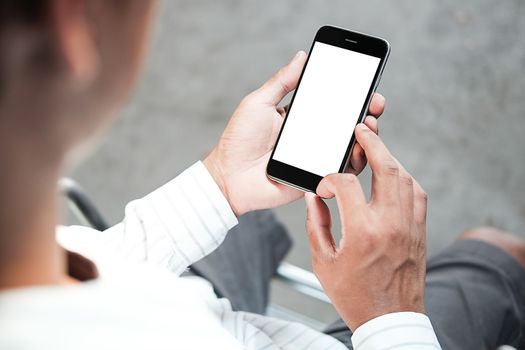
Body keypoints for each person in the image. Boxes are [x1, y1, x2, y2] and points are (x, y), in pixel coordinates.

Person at [0, 1, 523, 349]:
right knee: (496, 252)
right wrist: (392, 317)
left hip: (182, 296)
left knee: (247, 222)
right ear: (71, 25)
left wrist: (220, 185)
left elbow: (97, 266)